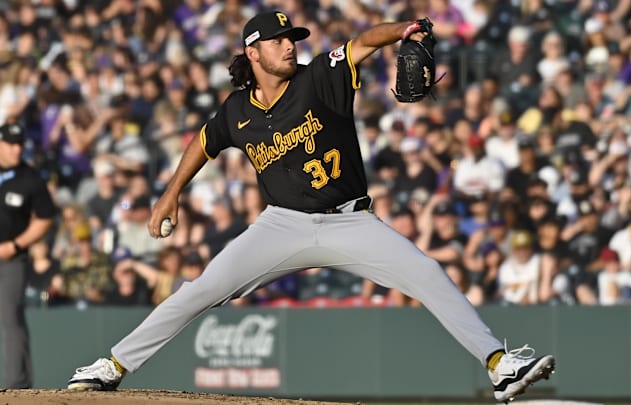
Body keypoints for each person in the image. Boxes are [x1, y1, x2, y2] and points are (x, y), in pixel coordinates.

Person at [66, 11, 554, 402]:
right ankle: (113, 366)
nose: (289, 44)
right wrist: (171, 192)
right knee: (201, 289)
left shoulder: (320, 76)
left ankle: (499, 365)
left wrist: (402, 30)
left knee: (427, 273)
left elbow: (364, 41)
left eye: (291, 37)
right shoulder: (237, 109)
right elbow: (204, 140)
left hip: (351, 220)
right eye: (278, 40)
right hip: (282, 225)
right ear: (252, 52)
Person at [0, 123, 56, 388]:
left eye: (20, 143)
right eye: (11, 143)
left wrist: (16, 245)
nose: (16, 149)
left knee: (10, 314)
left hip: (11, 258)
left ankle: (16, 385)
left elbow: (45, 219)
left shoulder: (30, 179)